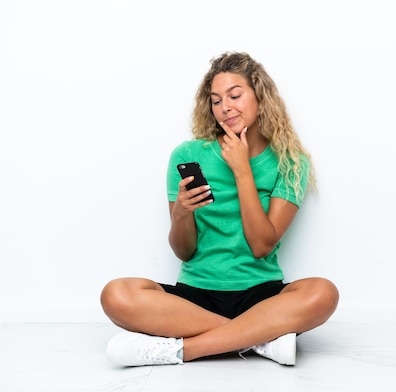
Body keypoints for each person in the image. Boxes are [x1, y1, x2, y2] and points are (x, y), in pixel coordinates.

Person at [100, 51, 339, 367]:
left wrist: (242, 170)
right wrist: (182, 213)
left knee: (324, 293)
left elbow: (261, 245)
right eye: (215, 100)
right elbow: (184, 252)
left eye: (235, 95)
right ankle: (260, 341)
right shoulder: (188, 155)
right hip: (195, 299)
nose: (225, 107)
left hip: (262, 297)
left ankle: (182, 350)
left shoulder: (292, 162)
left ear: (260, 98)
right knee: (115, 294)